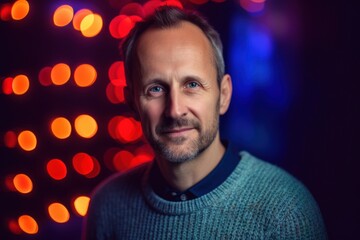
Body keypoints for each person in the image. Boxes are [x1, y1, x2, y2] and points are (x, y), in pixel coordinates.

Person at [83, 6, 327, 239]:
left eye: (192, 85)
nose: (175, 110)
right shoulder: (107, 207)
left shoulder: (286, 209)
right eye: (155, 89)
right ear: (132, 103)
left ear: (223, 95)